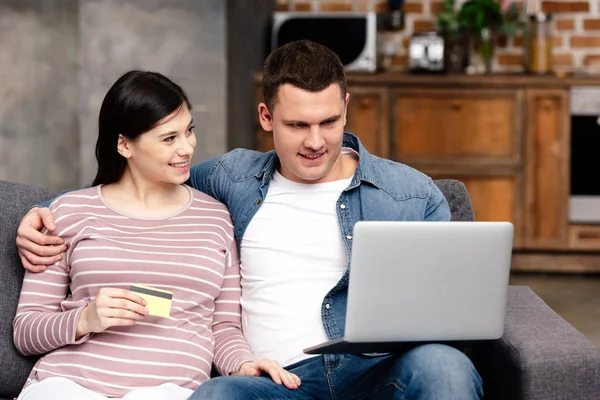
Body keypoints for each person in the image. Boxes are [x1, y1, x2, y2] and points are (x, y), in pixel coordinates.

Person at [17, 41, 483, 399]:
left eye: (328, 122)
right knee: (218, 394)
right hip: (275, 381)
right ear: (266, 117)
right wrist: (38, 213)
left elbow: (446, 311)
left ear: (345, 107)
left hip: (377, 369)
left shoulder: (412, 194)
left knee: (443, 365)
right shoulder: (228, 181)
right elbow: (134, 188)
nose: (316, 141)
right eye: (297, 125)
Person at [12, 70, 299, 400]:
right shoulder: (66, 212)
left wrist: (244, 367)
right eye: (168, 138)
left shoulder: (215, 219)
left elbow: (223, 329)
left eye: (189, 131)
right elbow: (26, 330)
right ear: (124, 145)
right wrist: (85, 318)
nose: (187, 148)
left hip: (168, 392)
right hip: (67, 385)